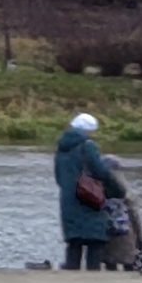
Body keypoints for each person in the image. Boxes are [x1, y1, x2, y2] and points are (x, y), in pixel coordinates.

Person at [55, 108, 129, 270]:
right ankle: (93, 277)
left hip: (68, 200)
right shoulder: (87, 145)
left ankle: (71, 277)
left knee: (74, 242)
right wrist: (118, 190)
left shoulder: (61, 148)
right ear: (88, 130)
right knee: (95, 241)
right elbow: (101, 171)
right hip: (89, 199)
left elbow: (58, 177)